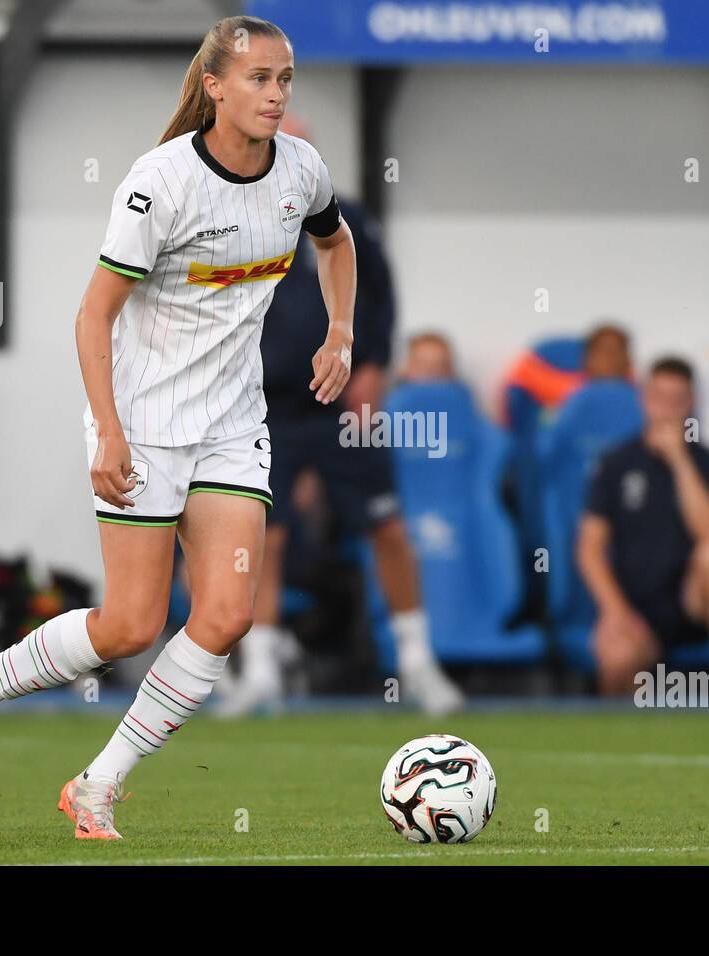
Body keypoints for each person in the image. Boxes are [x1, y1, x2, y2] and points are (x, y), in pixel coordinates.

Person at [0, 16, 357, 839]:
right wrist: (111, 433)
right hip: (145, 423)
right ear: (217, 86)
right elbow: (92, 318)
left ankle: (98, 784)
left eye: (286, 78)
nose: (275, 93)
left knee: (227, 615)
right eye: (259, 79)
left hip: (233, 424)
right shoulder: (162, 183)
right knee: (129, 625)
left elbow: (335, 244)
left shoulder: (301, 170)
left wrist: (341, 331)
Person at [223, 114, 464, 716]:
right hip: (266, 406)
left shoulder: (344, 217)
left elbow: (380, 297)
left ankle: (416, 661)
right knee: (262, 539)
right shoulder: (230, 216)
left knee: (387, 527)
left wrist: (374, 366)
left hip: (341, 401)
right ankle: (261, 671)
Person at [576, 357, 709, 694]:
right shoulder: (616, 463)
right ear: (644, 398)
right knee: (617, 659)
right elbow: (589, 547)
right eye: (659, 397)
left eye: (676, 399)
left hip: (694, 601)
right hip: (636, 604)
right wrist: (616, 611)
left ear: (690, 403)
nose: (666, 408)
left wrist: (679, 460)